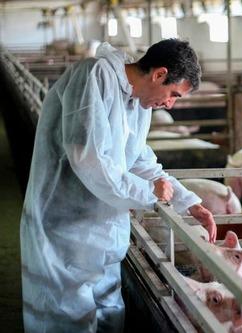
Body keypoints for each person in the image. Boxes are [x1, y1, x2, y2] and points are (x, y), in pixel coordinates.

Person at [20, 39, 216, 333]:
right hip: (64, 229)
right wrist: (150, 193)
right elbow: (88, 158)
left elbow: (137, 159)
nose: (170, 104)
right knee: (65, 318)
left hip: (103, 231)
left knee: (108, 315)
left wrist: (188, 202)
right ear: (159, 74)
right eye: (173, 94)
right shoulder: (94, 76)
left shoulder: (139, 104)